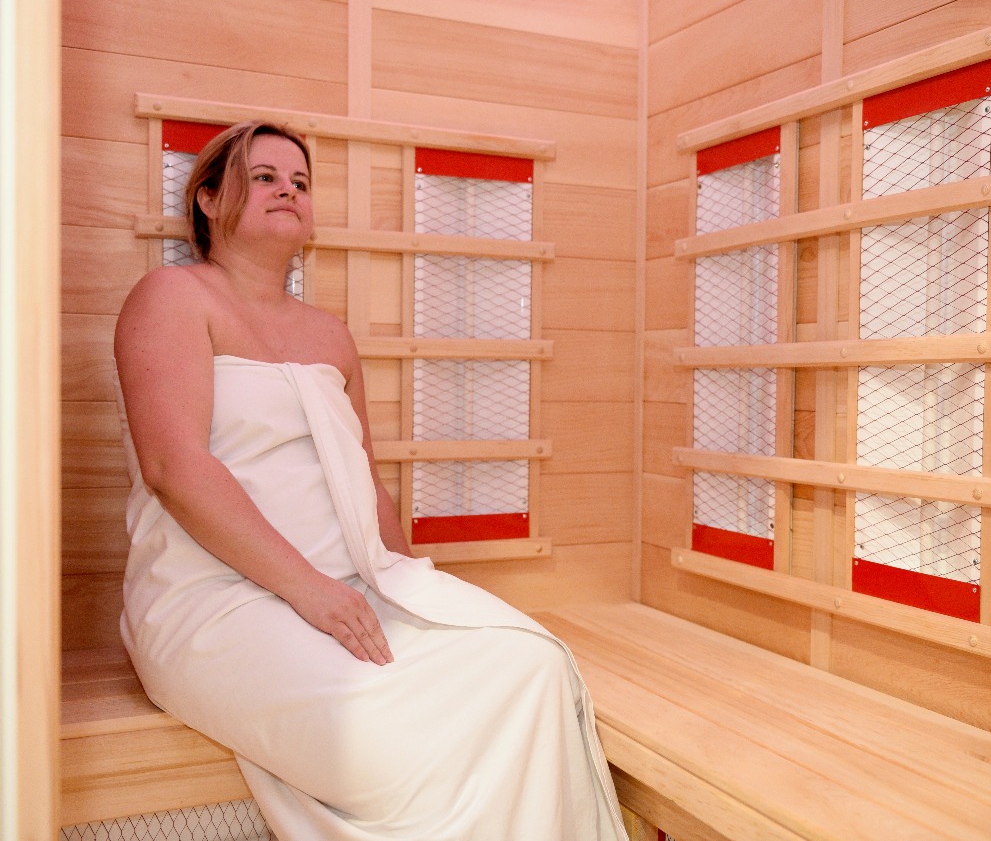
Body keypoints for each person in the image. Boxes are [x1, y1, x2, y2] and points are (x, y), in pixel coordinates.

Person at [114, 120, 627, 840]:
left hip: (350, 583)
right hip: (217, 599)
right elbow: (175, 468)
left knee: (533, 664)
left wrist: (406, 583)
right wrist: (309, 591)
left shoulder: (330, 335)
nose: (288, 190)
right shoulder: (171, 297)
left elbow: (365, 482)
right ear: (207, 198)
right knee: (383, 732)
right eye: (263, 177)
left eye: (300, 182)